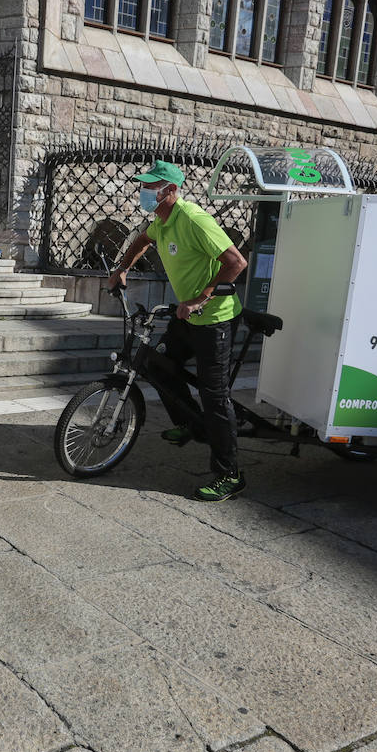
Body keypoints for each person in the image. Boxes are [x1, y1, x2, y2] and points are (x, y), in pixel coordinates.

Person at [109, 160, 249, 502]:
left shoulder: (194, 220)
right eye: (144, 186)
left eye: (151, 187)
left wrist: (202, 298)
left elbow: (236, 262)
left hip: (214, 318)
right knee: (157, 364)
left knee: (214, 396)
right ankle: (191, 424)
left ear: (170, 191)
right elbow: (142, 239)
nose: (144, 192)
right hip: (187, 317)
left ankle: (230, 474)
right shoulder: (162, 221)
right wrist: (122, 267)